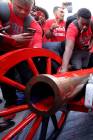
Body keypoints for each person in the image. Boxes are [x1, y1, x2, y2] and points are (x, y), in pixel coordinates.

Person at [0, 0, 42, 131]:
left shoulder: (31, 22)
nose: (23, 12)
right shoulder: (2, 9)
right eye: (19, 8)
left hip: (21, 53)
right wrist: (12, 39)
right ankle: (11, 105)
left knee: (28, 75)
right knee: (7, 80)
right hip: (3, 51)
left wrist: (36, 50)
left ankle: (36, 97)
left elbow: (38, 34)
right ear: (11, 2)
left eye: (27, 9)